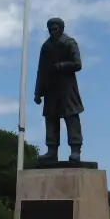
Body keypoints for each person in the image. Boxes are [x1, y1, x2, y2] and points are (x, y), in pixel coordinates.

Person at [33, 17, 84, 163]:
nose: (52, 32)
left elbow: (77, 64)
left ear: (61, 28)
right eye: (49, 29)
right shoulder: (46, 46)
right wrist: (38, 92)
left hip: (67, 88)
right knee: (51, 119)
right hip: (51, 89)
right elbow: (41, 71)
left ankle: (75, 150)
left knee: (71, 117)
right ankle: (52, 150)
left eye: (54, 29)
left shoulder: (69, 43)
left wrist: (61, 66)